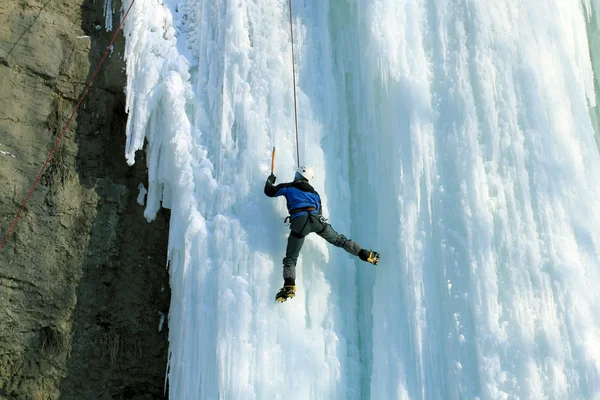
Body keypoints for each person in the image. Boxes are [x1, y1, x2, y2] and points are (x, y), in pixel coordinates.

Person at [265, 165, 380, 303]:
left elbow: (270, 191)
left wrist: (270, 180)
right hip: (317, 220)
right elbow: (319, 211)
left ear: (297, 175)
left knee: (291, 258)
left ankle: (289, 285)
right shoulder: (315, 193)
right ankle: (365, 254)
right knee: (340, 240)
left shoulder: (288, 187)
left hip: (300, 222)